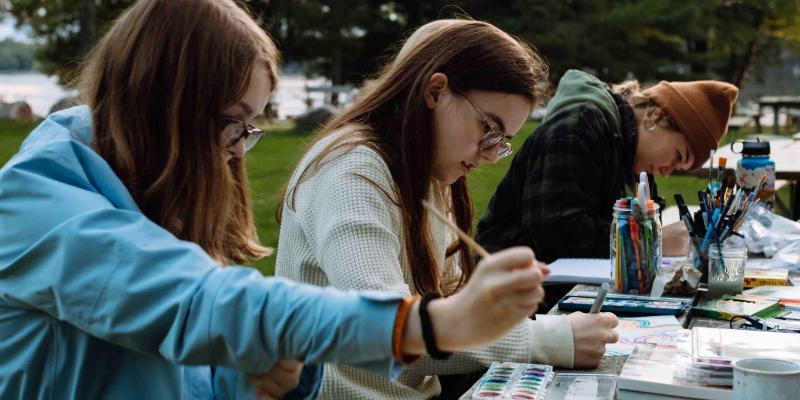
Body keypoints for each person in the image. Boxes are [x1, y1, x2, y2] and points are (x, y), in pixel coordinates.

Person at [0, 2, 550, 399]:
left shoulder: (144, 196)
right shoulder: (43, 208)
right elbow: (199, 304)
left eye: (248, 127)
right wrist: (433, 324)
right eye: (232, 123)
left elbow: (179, 365)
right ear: (163, 103)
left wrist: (252, 381)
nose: (236, 153)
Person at [275, 20, 619, 400]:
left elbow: (440, 309)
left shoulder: (427, 175)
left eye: (502, 142)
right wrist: (545, 338)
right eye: (488, 128)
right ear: (435, 91)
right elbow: (389, 334)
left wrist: (493, 306)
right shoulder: (353, 172)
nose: (490, 155)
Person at [477, 69, 738, 265]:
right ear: (656, 116)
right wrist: (650, 242)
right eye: (677, 156)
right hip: (506, 294)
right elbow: (557, 233)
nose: (667, 171)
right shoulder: (579, 126)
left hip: (548, 291)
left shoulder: (626, 150)